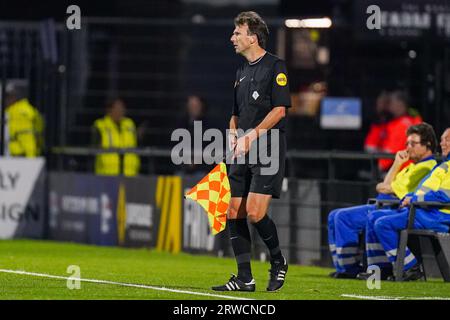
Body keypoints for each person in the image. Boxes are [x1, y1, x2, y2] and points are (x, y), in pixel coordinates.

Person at [212, 11, 291, 292]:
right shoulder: (241, 71)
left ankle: (278, 261)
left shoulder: (275, 67)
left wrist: (252, 136)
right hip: (241, 150)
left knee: (255, 214)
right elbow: (235, 114)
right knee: (233, 211)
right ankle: (244, 277)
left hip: (267, 148)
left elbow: (279, 110)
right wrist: (233, 133)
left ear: (252, 37)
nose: (232, 37)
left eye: (237, 33)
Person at [328, 123, 438, 278]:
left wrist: (385, 186)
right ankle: (345, 267)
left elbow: (385, 188)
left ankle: (353, 269)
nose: (408, 147)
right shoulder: (412, 166)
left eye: (413, 143)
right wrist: (396, 164)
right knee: (334, 215)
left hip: (393, 207)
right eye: (407, 143)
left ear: (428, 145)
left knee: (343, 217)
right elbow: (384, 186)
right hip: (385, 204)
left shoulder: (427, 167)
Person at [358, 127, 450, 281]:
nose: (442, 143)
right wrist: (410, 197)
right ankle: (379, 270)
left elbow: (445, 195)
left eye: (447, 139)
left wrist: (413, 199)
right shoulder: (443, 165)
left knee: (382, 223)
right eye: (441, 140)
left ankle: (410, 268)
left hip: (437, 216)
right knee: (373, 217)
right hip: (426, 212)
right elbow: (425, 191)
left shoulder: (441, 165)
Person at [92, 98, 140, 176]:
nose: (121, 111)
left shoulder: (129, 124)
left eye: (122, 108)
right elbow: (93, 148)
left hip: (130, 174)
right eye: (118, 108)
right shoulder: (100, 125)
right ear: (109, 110)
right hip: (106, 175)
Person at [378, 91, 422, 173]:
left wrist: (379, 168)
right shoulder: (410, 120)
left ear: (400, 104)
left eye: (391, 103)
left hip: (403, 172)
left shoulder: (402, 125)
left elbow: (389, 154)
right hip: (409, 170)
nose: (389, 107)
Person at [4, 81, 44, 157]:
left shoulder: (19, 112)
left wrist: (30, 159)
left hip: (20, 155)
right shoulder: (16, 109)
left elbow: (26, 136)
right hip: (17, 154)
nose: (5, 99)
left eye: (8, 96)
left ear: (15, 97)